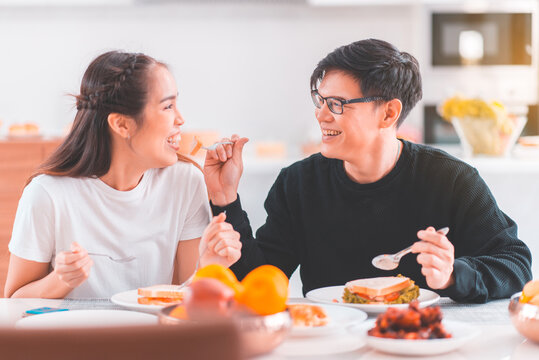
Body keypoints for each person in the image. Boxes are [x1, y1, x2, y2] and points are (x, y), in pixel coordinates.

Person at [202, 39, 532, 303]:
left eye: (337, 104)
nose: (321, 115)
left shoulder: (452, 180)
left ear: (388, 114)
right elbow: (260, 283)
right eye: (320, 100)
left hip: (422, 342)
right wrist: (225, 198)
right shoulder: (298, 184)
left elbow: (515, 264)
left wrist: (453, 275)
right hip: (332, 343)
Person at [4, 51, 241, 299]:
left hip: (155, 337)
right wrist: (58, 281)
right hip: (77, 338)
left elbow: (186, 303)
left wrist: (209, 267)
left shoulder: (186, 182)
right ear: (122, 125)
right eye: (168, 106)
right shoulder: (47, 194)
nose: (181, 119)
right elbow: (13, 302)